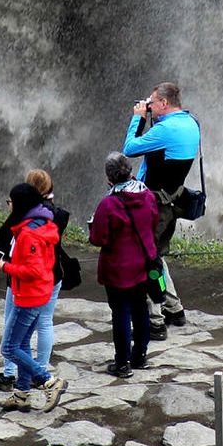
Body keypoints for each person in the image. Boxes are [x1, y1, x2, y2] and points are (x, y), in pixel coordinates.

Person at [121, 81, 199, 338]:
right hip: (172, 201)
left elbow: (129, 150)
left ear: (164, 103)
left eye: (152, 102)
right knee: (156, 256)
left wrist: (138, 119)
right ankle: (174, 308)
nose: (149, 106)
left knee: (146, 261)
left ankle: (154, 320)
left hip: (155, 206)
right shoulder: (191, 123)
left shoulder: (166, 130)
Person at [0, 169, 71, 392]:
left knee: (11, 341)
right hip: (51, 278)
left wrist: (5, 266)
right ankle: (27, 386)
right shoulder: (55, 217)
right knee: (42, 325)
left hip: (27, 286)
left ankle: (34, 376)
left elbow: (29, 266)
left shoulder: (25, 227)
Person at [89, 152, 159, 376]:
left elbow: (98, 238)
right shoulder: (147, 196)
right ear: (130, 172)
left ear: (109, 178)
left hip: (118, 269)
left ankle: (122, 364)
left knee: (121, 313)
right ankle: (140, 356)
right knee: (141, 310)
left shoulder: (108, 204)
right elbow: (154, 223)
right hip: (143, 265)